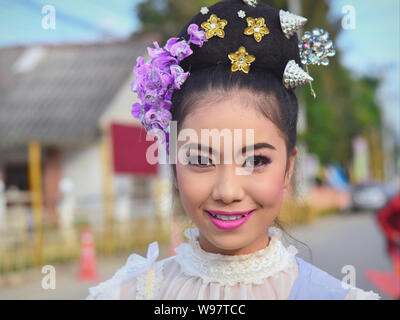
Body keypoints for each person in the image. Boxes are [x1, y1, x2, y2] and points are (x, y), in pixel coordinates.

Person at [86, 0, 380, 300]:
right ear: (174, 163)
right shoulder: (127, 294)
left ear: (289, 168)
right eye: (201, 159)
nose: (228, 191)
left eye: (256, 160)